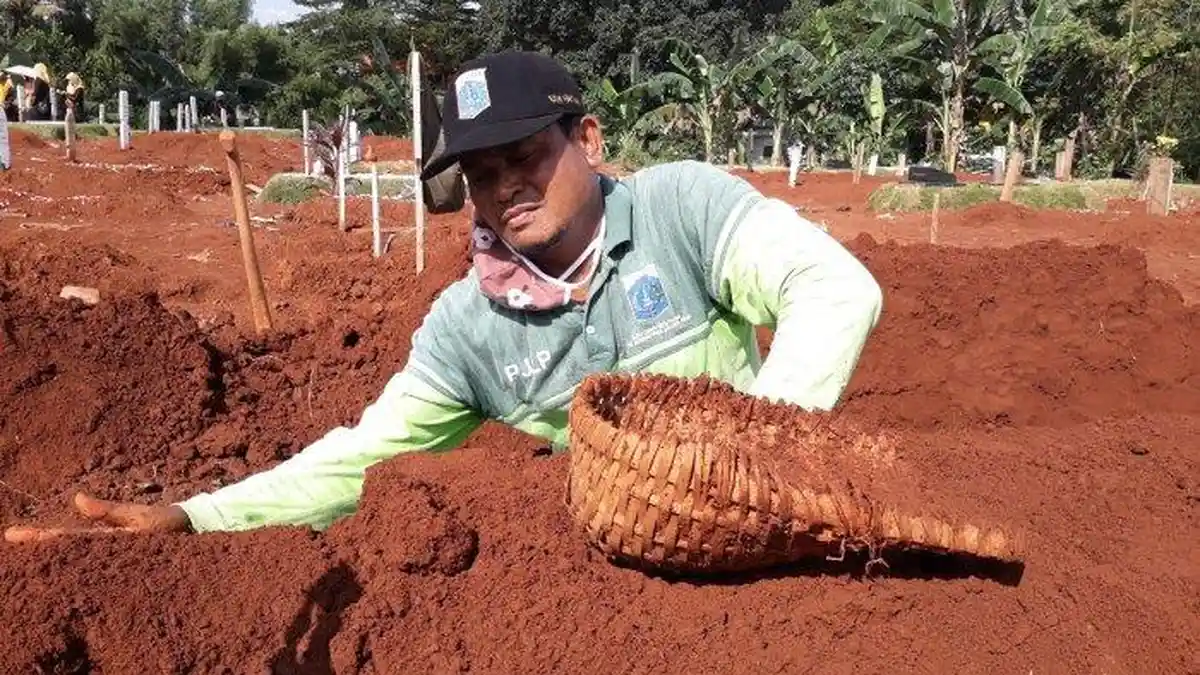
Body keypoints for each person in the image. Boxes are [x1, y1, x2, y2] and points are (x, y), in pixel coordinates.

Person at [3, 51, 883, 543]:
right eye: (482, 174)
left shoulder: (680, 207)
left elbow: (833, 288)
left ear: (588, 138)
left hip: (770, 528)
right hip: (628, 560)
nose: (507, 190)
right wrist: (194, 515)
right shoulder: (471, 327)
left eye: (526, 157)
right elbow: (360, 458)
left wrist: (757, 461)